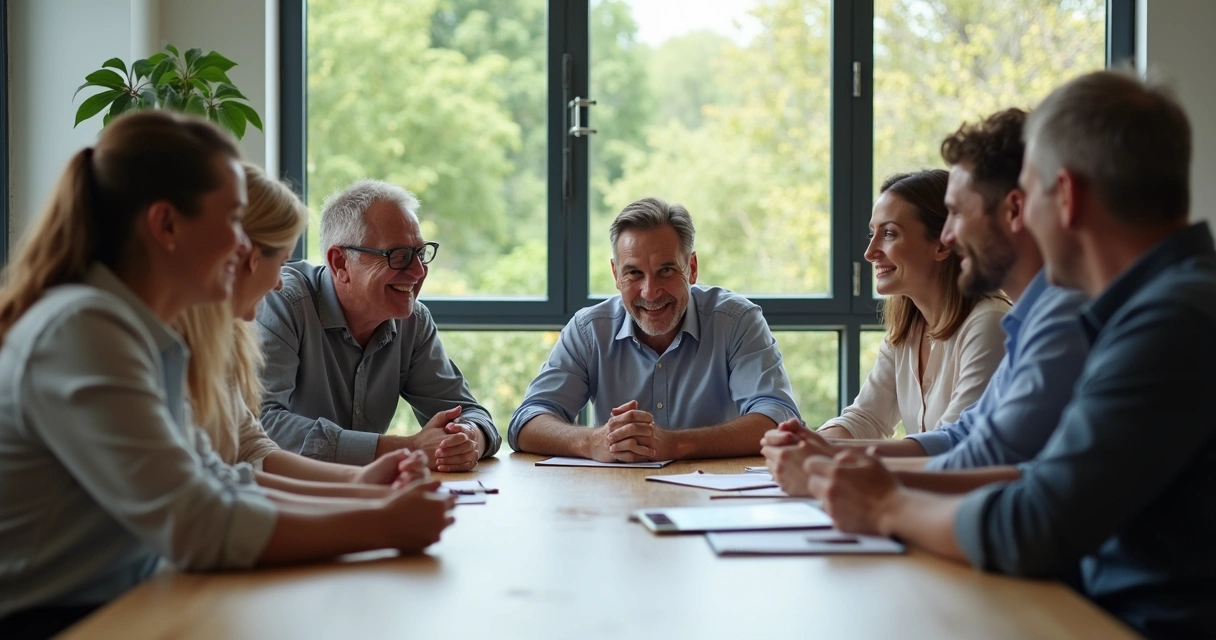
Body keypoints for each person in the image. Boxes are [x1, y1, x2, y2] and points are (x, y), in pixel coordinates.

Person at [0, 112, 454, 637]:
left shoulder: (140, 332)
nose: (245, 248)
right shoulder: (85, 328)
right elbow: (196, 523)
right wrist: (379, 522)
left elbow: (221, 478)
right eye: (235, 220)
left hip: (131, 601)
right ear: (167, 225)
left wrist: (365, 493)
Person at [804, 70, 1216, 638]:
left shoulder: (1169, 322)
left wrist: (884, 506)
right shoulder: (1155, 306)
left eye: (1031, 191)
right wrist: (870, 477)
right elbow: (1038, 475)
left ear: (1065, 197)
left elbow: (1037, 521)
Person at [763, 109, 1090, 494]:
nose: (950, 235)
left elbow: (989, 459)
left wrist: (841, 473)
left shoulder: (1014, 322)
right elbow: (959, 437)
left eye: (956, 213)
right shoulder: (1022, 322)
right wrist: (823, 449)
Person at [174, 164, 428, 499]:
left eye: (420, 254)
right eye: (279, 263)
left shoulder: (223, 338)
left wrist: (360, 483)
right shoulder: (158, 344)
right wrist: (372, 511)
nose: (279, 281)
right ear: (239, 258)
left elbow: (252, 452)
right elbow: (202, 500)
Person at [508, 197, 800, 462]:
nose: (650, 292)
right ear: (616, 275)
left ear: (692, 268)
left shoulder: (737, 321)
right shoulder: (589, 330)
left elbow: (778, 419)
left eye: (666, 271)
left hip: (715, 504)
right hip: (615, 501)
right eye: (634, 273)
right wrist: (593, 441)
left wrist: (675, 444)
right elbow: (527, 421)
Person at [257, 179, 499, 471]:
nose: (419, 271)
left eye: (421, 254)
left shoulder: (414, 322)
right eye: (399, 256)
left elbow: (473, 414)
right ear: (340, 264)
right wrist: (408, 448)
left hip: (365, 497)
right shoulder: (283, 301)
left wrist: (466, 437)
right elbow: (261, 425)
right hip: (284, 501)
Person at [815, 170, 1009, 441]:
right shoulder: (907, 328)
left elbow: (953, 444)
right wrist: (809, 442)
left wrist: (822, 451)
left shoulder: (990, 323)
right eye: (873, 233)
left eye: (890, 234)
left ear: (943, 245)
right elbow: (865, 418)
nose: (870, 253)